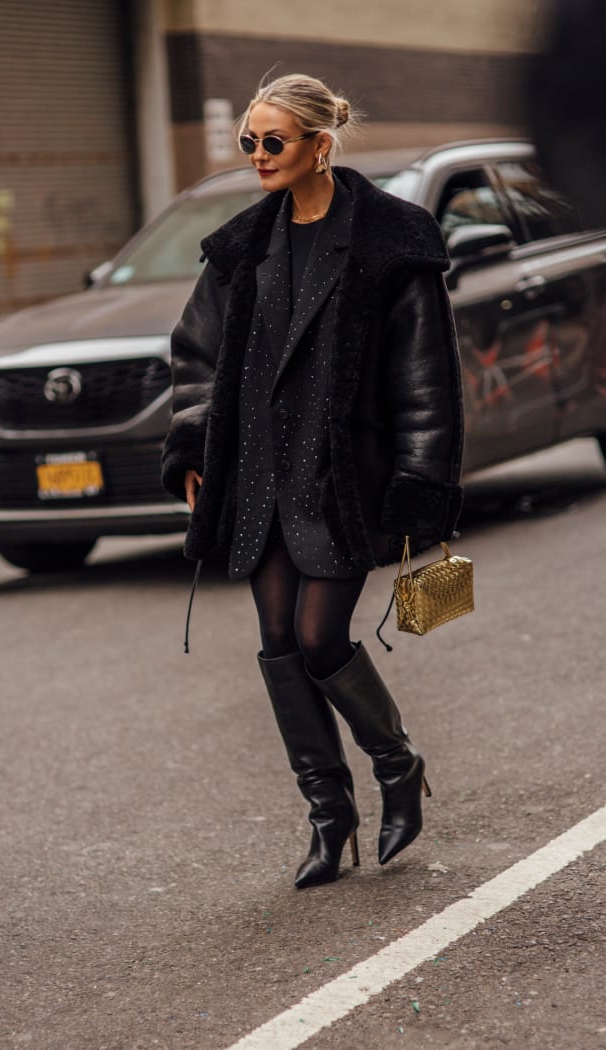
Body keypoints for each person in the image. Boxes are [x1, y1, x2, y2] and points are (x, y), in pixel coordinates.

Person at [161, 74, 464, 889]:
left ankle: (396, 766)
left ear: (319, 145)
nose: (257, 156)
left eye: (273, 142)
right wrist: (194, 450)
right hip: (260, 471)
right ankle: (330, 818)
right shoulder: (240, 249)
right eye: (248, 142)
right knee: (279, 643)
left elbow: (426, 380)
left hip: (344, 478)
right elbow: (194, 357)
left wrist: (420, 486)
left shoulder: (391, 241)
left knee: (323, 636)